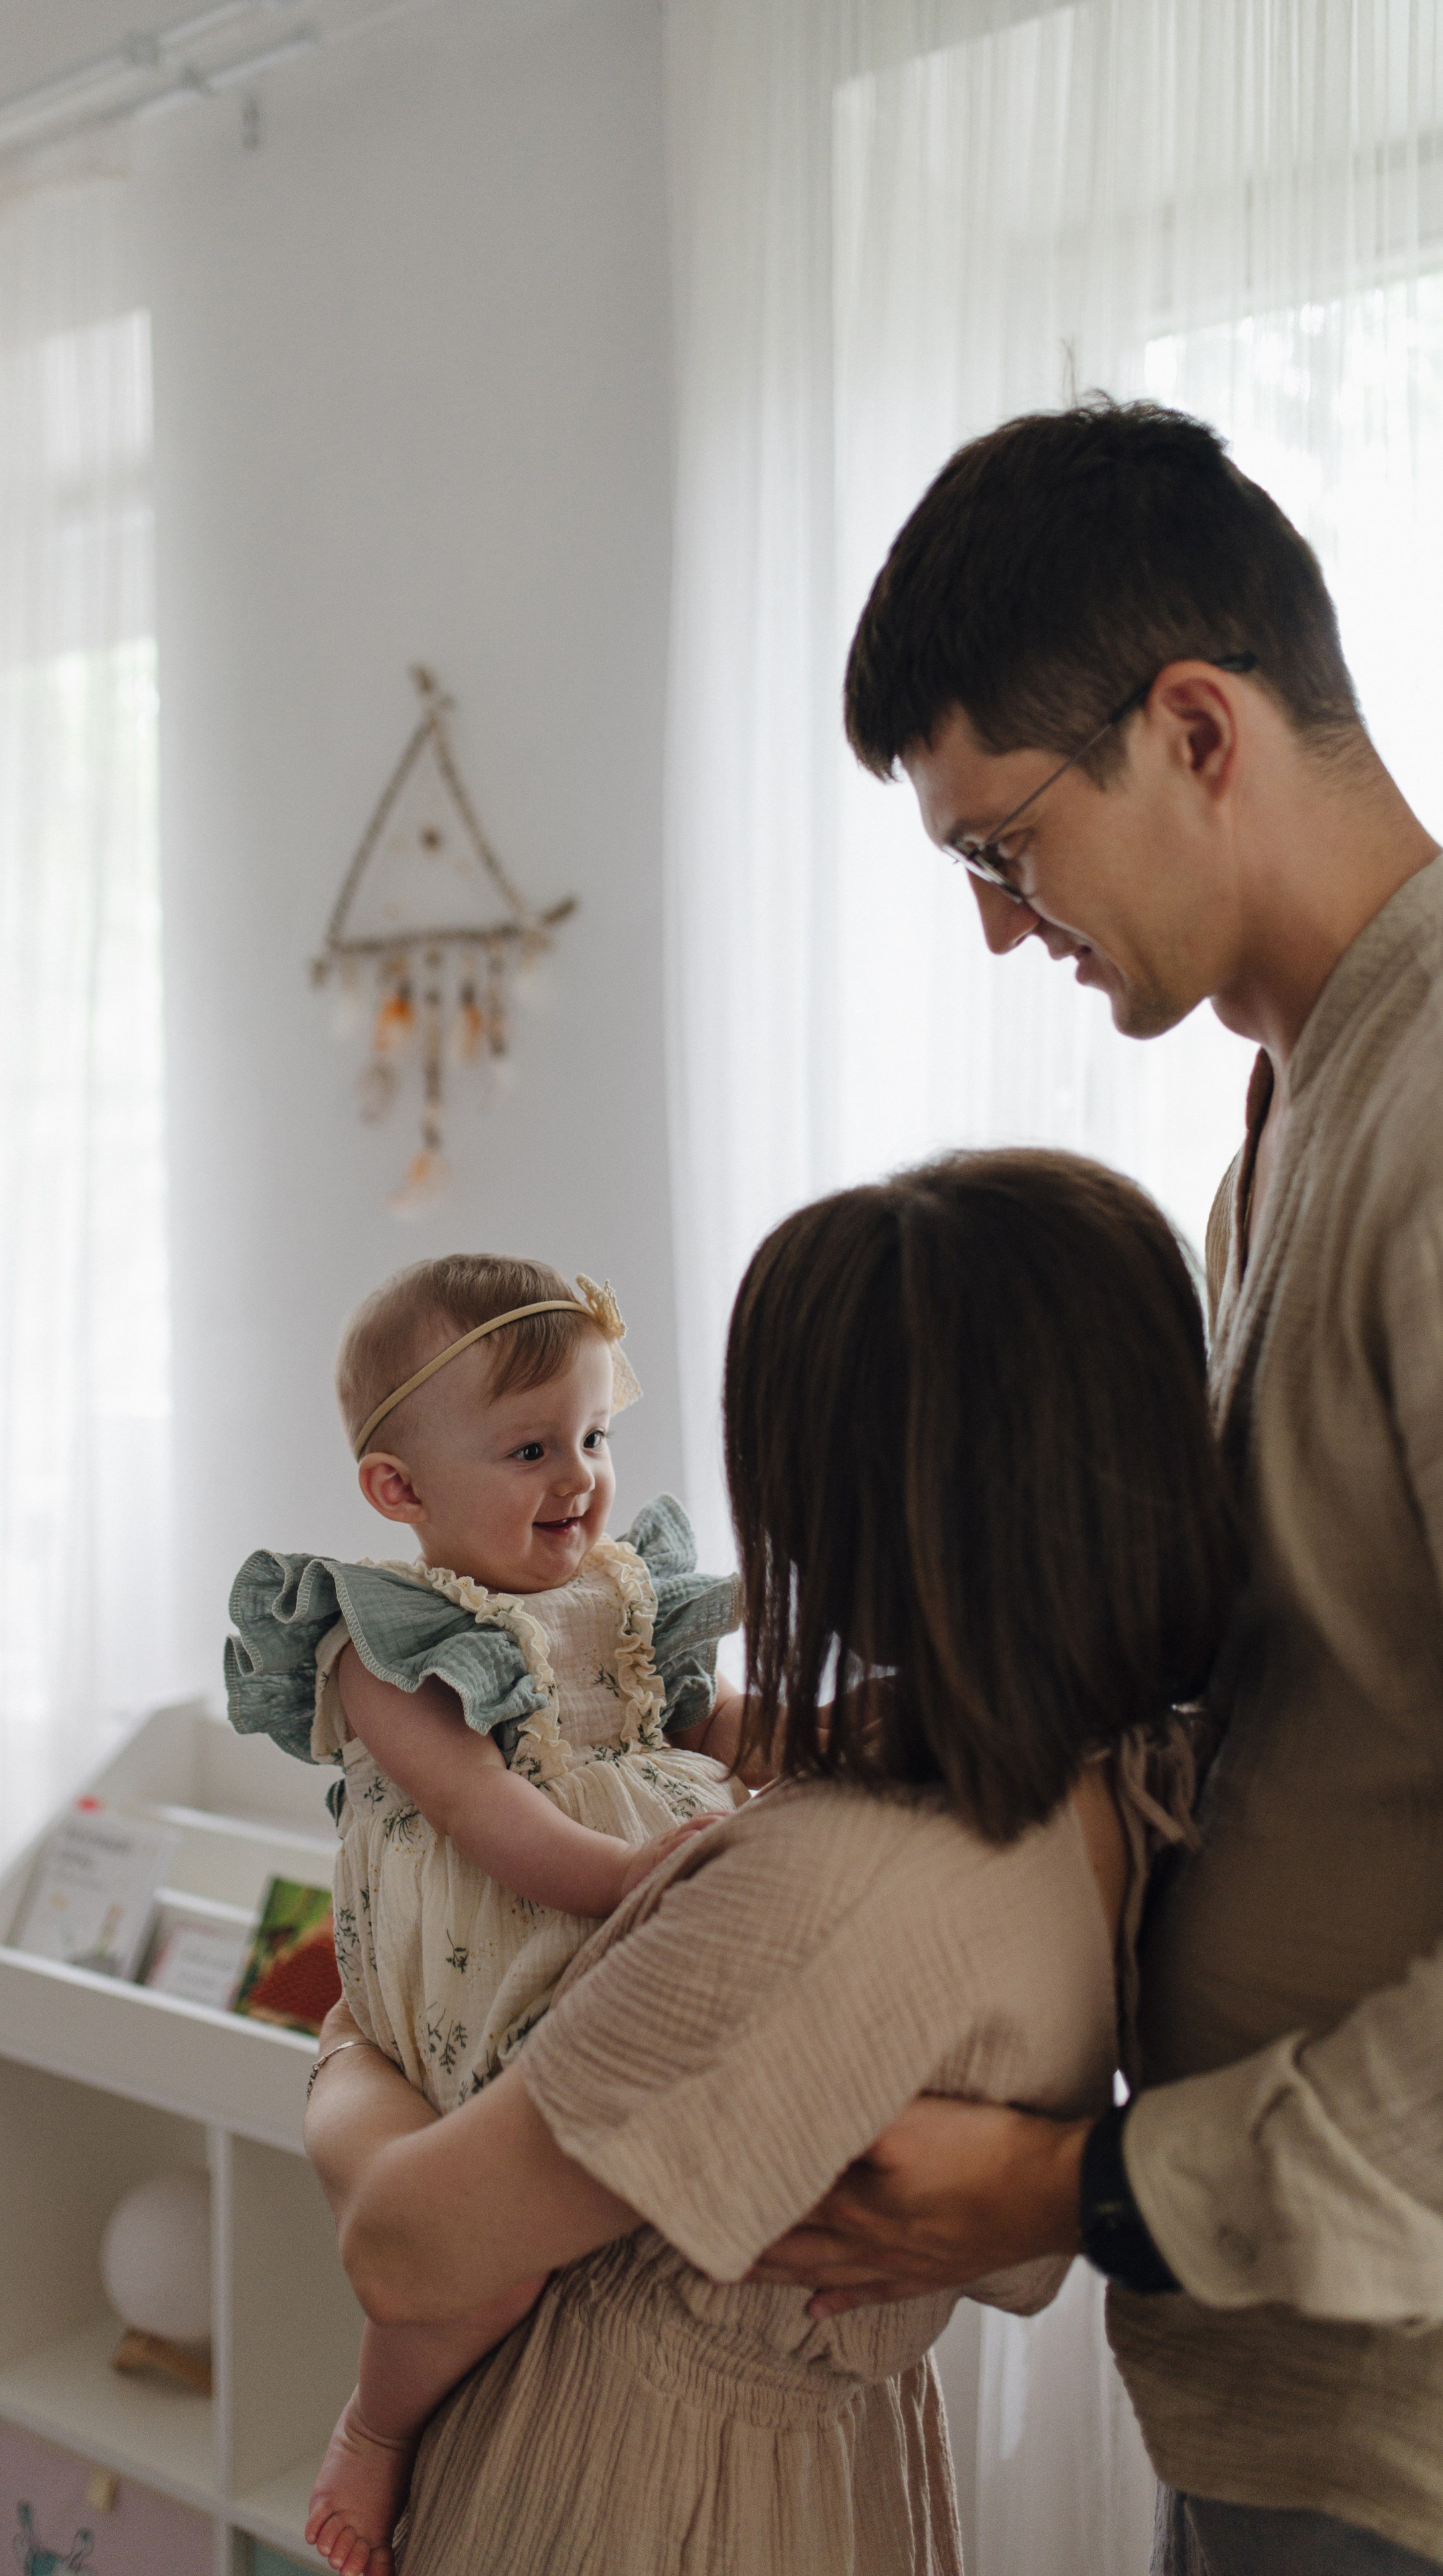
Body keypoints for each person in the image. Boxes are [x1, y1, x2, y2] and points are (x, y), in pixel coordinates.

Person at [760, 398, 1443, 2576]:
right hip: (1278, 2356)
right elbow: (1290, 1706)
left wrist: (1095, 2188)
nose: (994, 926)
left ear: (1194, 726)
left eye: (1000, 847)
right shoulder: (1292, 1119)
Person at [301, 1153, 1237, 2576]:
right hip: (821, 2464)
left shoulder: (811, 1887)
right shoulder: (1121, 1779)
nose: (588, 1486)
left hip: (638, 2489)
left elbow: (408, 2245)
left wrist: (348, 2066)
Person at [223, 1255, 747, 2575]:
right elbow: (483, 1817)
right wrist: (634, 1877)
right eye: (527, 1448)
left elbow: (702, 1718)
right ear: (400, 1490)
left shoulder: (619, 1596)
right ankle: (376, 2426)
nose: (576, 1475)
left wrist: (812, 1731)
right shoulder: (387, 1639)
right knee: (473, 2263)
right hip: (432, 2005)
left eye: (590, 1434)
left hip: (579, 1951)